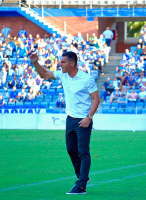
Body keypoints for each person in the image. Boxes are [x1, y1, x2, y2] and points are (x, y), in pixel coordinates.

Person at [30, 51, 100, 195]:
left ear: (72, 63)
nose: (59, 64)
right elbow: (45, 74)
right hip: (70, 119)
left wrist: (89, 117)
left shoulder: (86, 79)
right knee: (71, 150)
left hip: (83, 120)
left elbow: (96, 99)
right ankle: (82, 177)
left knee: (83, 152)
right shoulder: (63, 75)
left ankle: (81, 186)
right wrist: (35, 63)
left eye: (63, 62)